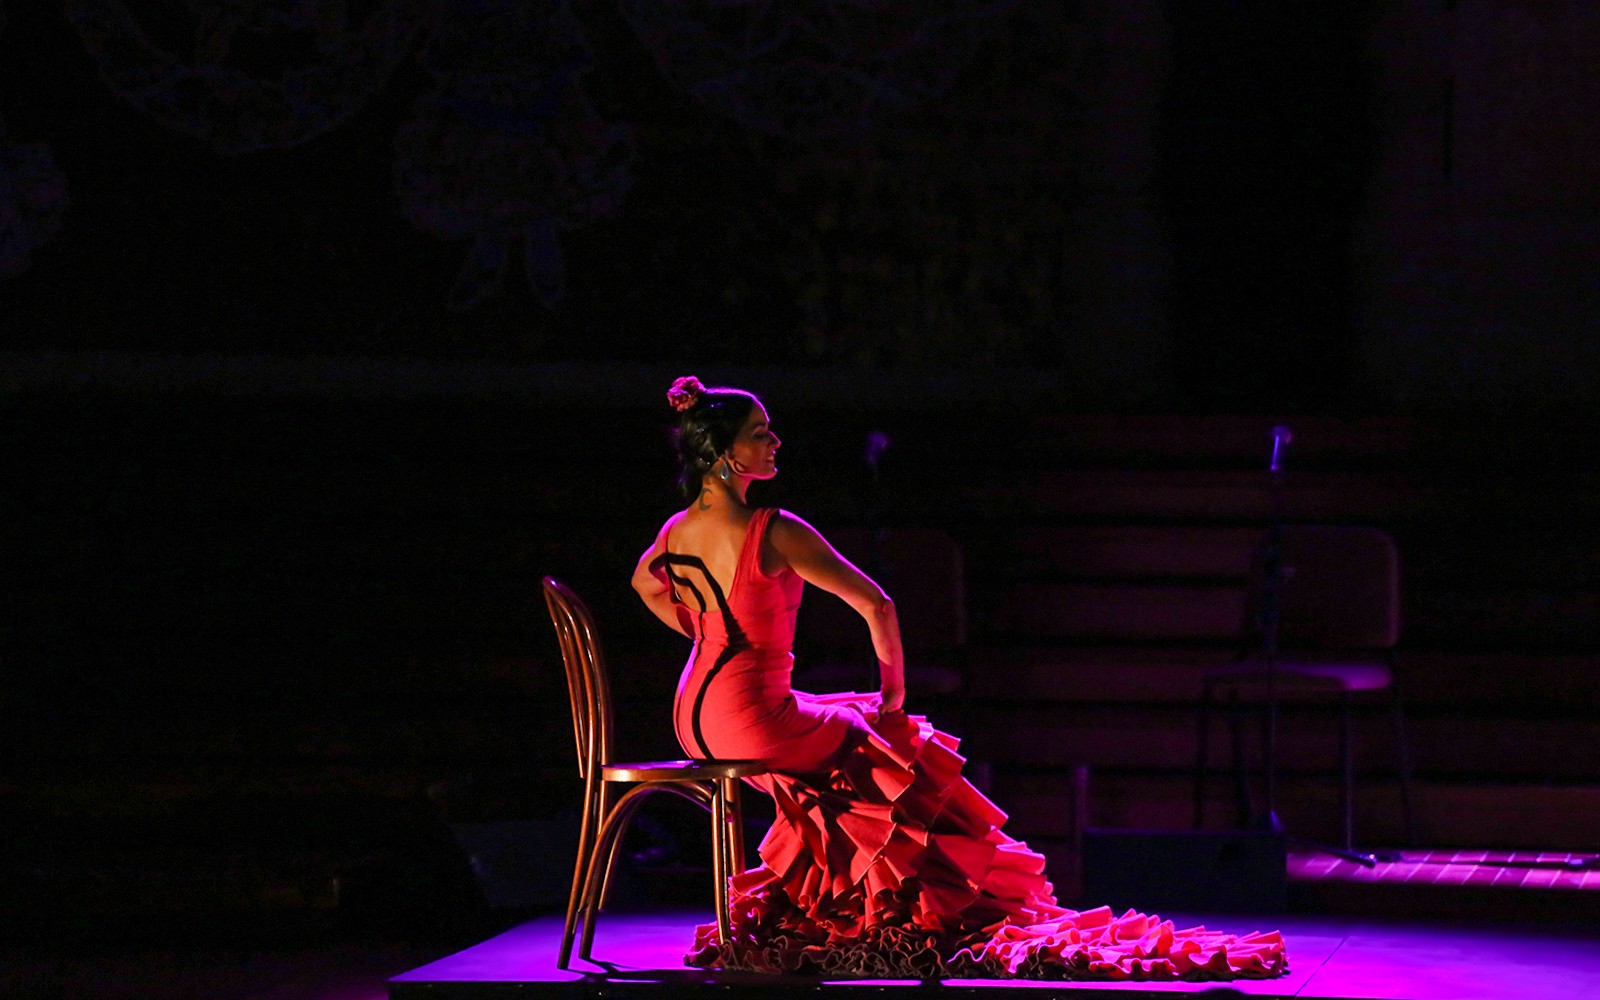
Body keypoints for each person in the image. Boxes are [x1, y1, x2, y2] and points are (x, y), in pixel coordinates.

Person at [632, 376, 1287, 980]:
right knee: (894, 741)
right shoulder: (774, 528)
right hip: (751, 717)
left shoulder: (674, 530)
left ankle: (842, 892)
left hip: (695, 713)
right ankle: (920, 901)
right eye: (760, 433)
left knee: (846, 727)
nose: (776, 441)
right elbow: (877, 604)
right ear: (727, 452)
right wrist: (893, 695)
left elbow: (645, 585)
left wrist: (703, 633)